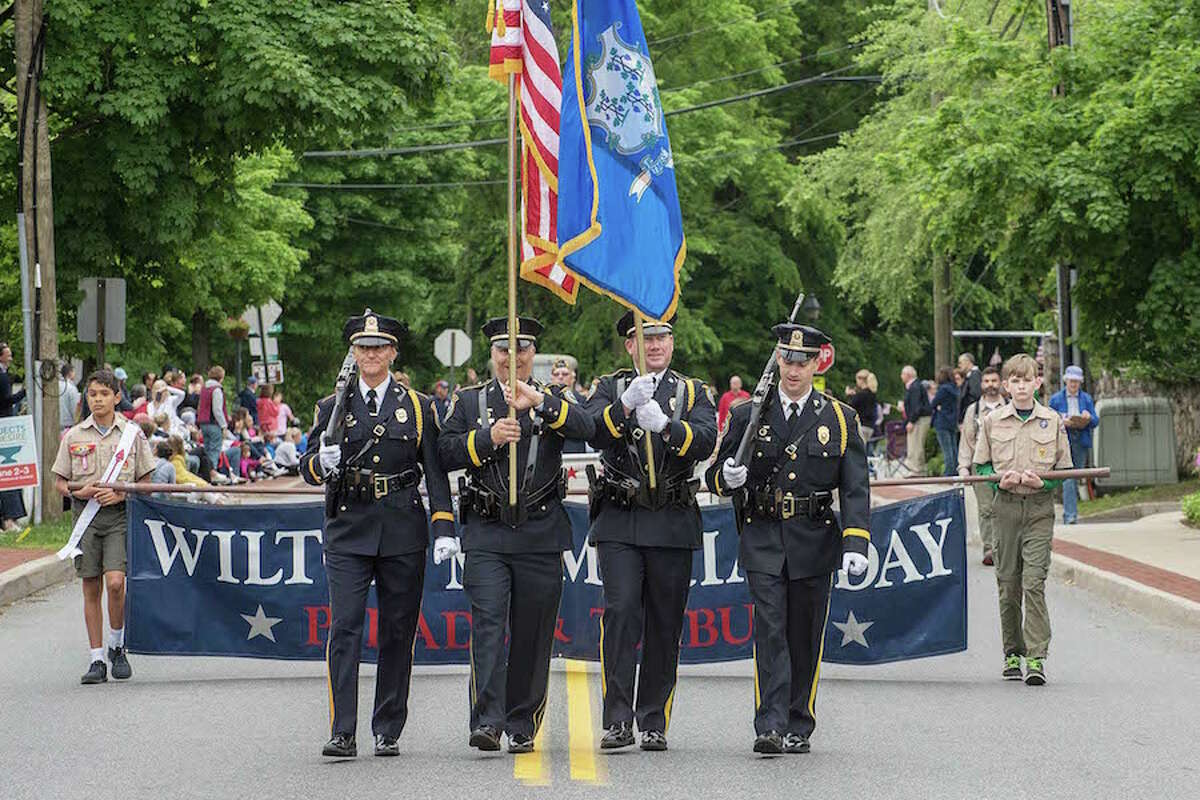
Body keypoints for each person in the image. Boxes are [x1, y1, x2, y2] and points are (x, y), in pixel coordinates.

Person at [706, 323, 870, 755]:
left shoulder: (839, 418)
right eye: (787, 359)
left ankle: (800, 719)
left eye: (803, 361)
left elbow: (854, 488)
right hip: (762, 537)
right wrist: (726, 477)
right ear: (777, 359)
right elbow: (715, 476)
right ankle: (771, 723)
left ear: (818, 363)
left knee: (805, 634)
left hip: (814, 539)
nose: (794, 369)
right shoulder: (747, 415)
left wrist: (856, 542)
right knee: (771, 630)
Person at [301, 311, 456, 759]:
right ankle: (342, 730)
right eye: (363, 348)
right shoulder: (332, 407)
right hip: (349, 528)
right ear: (353, 352)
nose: (371, 354)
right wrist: (320, 464)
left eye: (379, 347)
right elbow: (308, 466)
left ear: (392, 352)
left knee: (397, 631)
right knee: (345, 628)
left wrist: (443, 524)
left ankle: (387, 727)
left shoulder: (420, 406)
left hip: (402, 528)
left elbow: (436, 471)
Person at [438, 316, 594, 754]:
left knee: (533, 631)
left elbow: (587, 428)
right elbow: (445, 451)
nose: (512, 358)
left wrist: (540, 403)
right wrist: (486, 438)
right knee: (488, 625)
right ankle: (488, 719)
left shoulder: (553, 398)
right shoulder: (469, 401)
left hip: (540, 532)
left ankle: (522, 721)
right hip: (487, 531)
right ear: (492, 354)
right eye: (503, 350)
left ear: (533, 353)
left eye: (521, 349)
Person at [584, 312, 717, 753]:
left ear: (672, 343)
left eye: (661, 337)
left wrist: (666, 425)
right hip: (621, 517)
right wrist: (623, 407)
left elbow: (703, 440)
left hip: (672, 519)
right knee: (620, 613)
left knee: (665, 623)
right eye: (645, 338)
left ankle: (653, 719)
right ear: (629, 345)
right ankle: (618, 719)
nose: (654, 345)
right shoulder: (609, 387)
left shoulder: (693, 391)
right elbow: (592, 433)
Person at [972, 353, 1071, 686]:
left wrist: (1045, 482)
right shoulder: (993, 421)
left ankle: (1037, 657)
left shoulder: (1053, 420)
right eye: (1015, 380)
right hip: (1007, 509)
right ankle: (1012, 652)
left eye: (1027, 380)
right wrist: (998, 480)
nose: (1021, 386)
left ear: (1038, 383)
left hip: (1039, 509)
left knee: (1033, 583)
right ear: (1006, 385)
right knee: (1008, 585)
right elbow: (981, 466)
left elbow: (1065, 469)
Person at [51, 369, 155, 685]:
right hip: (86, 517)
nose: (98, 399)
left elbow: (147, 482)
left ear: (117, 397)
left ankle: (117, 644)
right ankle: (97, 658)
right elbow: (59, 482)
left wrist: (122, 491)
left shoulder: (132, 434)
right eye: (93, 394)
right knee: (91, 586)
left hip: (119, 516)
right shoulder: (74, 436)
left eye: (104, 394)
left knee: (115, 583)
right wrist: (75, 492)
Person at [957, 366, 1007, 565]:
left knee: (1006, 509)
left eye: (994, 381)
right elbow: (967, 440)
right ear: (981, 384)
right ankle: (990, 550)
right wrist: (963, 467)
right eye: (986, 382)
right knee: (986, 509)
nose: (990, 385)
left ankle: (1005, 549)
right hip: (981, 464)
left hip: (1005, 464)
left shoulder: (1009, 407)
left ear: (1000, 383)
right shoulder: (973, 410)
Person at [1048, 365, 1099, 525]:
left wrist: (1088, 418)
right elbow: (1047, 420)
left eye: (1076, 382)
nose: (1073, 385)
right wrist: (1062, 421)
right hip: (1064, 440)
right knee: (1068, 476)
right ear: (1066, 381)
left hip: (1080, 441)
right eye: (1071, 381)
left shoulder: (1086, 399)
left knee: (1074, 476)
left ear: (1080, 383)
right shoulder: (1056, 399)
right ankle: (1070, 515)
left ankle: (1070, 513)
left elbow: (1096, 421)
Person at [1, 343, 29, 530]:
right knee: (9, 472)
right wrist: (24, 393)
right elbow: (5, 401)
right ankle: (10, 518)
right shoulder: (2, 377)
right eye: (8, 355)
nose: (11, 358)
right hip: (5, 429)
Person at [196, 366, 229, 472]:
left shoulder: (204, 388)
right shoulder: (217, 390)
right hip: (213, 423)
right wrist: (224, 425)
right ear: (221, 377)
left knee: (207, 449)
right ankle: (212, 473)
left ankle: (206, 473)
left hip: (203, 423)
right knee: (214, 451)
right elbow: (217, 410)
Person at [900, 365, 931, 475]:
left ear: (908, 375)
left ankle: (916, 470)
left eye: (902, 374)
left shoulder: (915, 387)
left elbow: (916, 406)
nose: (901, 376)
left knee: (916, 444)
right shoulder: (915, 386)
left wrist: (911, 421)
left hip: (919, 419)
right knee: (916, 443)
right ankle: (920, 468)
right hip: (919, 418)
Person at [930, 367, 960, 476]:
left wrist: (938, 407)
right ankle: (956, 471)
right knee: (953, 448)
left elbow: (933, 403)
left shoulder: (943, 389)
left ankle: (949, 472)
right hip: (952, 420)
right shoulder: (955, 388)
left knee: (946, 449)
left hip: (942, 421)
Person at [845, 369, 878, 446]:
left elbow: (849, 408)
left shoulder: (861, 395)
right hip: (869, 426)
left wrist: (849, 396)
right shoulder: (872, 393)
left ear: (861, 380)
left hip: (861, 426)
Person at [956, 352, 982, 425]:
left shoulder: (974, 375)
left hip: (971, 415)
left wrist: (966, 411)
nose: (959, 365)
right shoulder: (971, 375)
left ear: (968, 362)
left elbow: (975, 394)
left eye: (960, 363)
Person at [59, 363, 81, 432]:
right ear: (70, 373)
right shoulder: (71, 388)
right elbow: (75, 409)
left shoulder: (56, 386)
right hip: (67, 427)